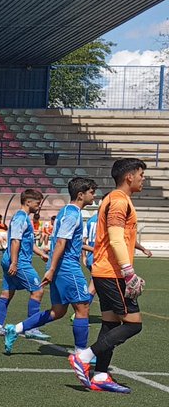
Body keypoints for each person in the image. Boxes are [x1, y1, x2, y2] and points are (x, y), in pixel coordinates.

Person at [69, 158, 149, 394]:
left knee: (110, 323)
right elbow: (115, 238)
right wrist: (128, 272)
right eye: (141, 175)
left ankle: (101, 374)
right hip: (112, 272)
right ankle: (84, 357)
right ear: (129, 177)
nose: (143, 179)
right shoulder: (117, 200)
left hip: (105, 271)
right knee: (133, 324)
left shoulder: (116, 199)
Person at [5, 178, 97, 353]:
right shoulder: (72, 214)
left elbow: (68, 241)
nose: (94, 195)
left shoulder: (66, 212)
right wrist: (52, 269)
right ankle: (81, 353)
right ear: (80, 194)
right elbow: (61, 242)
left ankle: (15, 329)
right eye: (91, 192)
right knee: (83, 307)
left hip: (61, 266)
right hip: (67, 267)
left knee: (58, 311)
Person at [0, 189, 50, 343]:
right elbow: (16, 241)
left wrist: (41, 254)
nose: (38, 206)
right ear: (28, 202)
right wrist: (15, 262)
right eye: (37, 203)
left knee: (7, 293)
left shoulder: (23, 217)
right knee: (38, 291)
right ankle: (32, 328)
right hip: (19, 261)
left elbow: (27, 242)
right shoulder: (21, 218)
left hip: (12, 259)